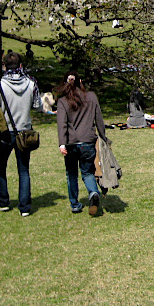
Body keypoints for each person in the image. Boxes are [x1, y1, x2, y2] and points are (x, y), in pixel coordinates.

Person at [0, 52, 42, 216]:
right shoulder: (31, 84)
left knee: (0, 167)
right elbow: (38, 105)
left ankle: (3, 201)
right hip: (24, 132)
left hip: (5, 132)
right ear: (20, 66)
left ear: (4, 66)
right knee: (23, 170)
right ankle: (24, 207)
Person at [56, 72, 108, 215]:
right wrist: (104, 137)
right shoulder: (91, 97)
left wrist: (62, 143)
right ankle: (93, 192)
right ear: (80, 81)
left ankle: (75, 204)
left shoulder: (62, 101)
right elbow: (99, 119)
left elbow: (62, 124)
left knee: (71, 173)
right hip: (88, 141)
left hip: (71, 143)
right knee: (87, 172)